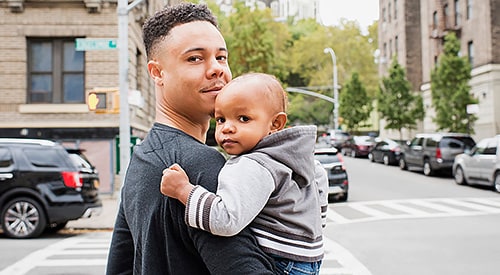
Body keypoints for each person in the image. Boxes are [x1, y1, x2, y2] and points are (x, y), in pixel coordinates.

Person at [106, 3, 276, 274]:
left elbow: (119, 267)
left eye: (221, 57)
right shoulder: (200, 164)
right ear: (157, 72)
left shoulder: (141, 158)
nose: (216, 69)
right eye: (195, 59)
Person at [161, 73, 329, 275]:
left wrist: (183, 190)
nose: (228, 128)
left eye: (243, 118)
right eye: (221, 119)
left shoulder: (253, 165)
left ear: (275, 124)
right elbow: (319, 188)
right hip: (308, 259)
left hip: (280, 261)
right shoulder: (301, 159)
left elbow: (225, 220)